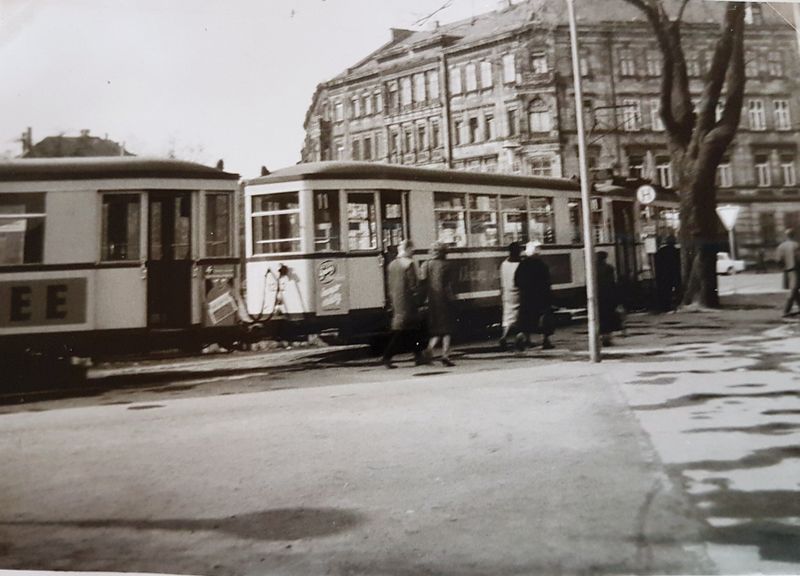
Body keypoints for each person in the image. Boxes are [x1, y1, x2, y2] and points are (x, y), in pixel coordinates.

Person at [382, 239, 426, 368]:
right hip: (408, 301)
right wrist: (419, 297)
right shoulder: (409, 264)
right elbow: (413, 285)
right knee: (402, 331)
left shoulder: (392, 264)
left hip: (397, 299)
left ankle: (419, 356)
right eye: (412, 249)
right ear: (407, 249)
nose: (413, 251)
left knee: (413, 329)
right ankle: (387, 356)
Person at [514, 241, 555, 350]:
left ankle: (524, 338)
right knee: (544, 319)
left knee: (526, 319)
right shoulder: (542, 265)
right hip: (541, 297)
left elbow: (516, 281)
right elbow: (547, 282)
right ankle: (546, 340)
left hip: (526, 297)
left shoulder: (522, 265)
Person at [421, 242, 456, 366]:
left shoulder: (426, 264)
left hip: (431, 300)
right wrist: (453, 299)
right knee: (447, 329)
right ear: (444, 252)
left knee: (437, 328)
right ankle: (445, 355)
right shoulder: (447, 265)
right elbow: (448, 286)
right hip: (444, 300)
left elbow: (423, 282)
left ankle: (429, 350)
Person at [498, 242, 522, 350]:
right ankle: (519, 337)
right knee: (519, 315)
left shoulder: (504, 263)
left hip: (506, 292)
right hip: (517, 292)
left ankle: (503, 336)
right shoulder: (520, 264)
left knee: (507, 316)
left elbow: (502, 280)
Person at [596, 251, 621, 346]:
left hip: (597, 296)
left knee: (600, 317)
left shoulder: (592, 268)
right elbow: (612, 283)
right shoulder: (609, 268)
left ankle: (601, 337)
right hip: (608, 296)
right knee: (608, 317)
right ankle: (606, 338)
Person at [776, 228, 800, 317]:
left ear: (786, 236)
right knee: (793, 290)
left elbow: (778, 260)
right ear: (793, 235)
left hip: (787, 271)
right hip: (796, 270)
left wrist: (783, 267)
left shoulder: (781, 246)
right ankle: (786, 310)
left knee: (795, 289)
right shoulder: (796, 245)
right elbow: (799, 258)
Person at [654, 236, 681, 312]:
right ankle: (670, 305)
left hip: (662, 275)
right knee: (672, 290)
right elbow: (677, 264)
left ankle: (664, 306)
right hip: (672, 274)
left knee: (663, 291)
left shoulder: (661, 251)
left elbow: (657, 262)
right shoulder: (676, 251)